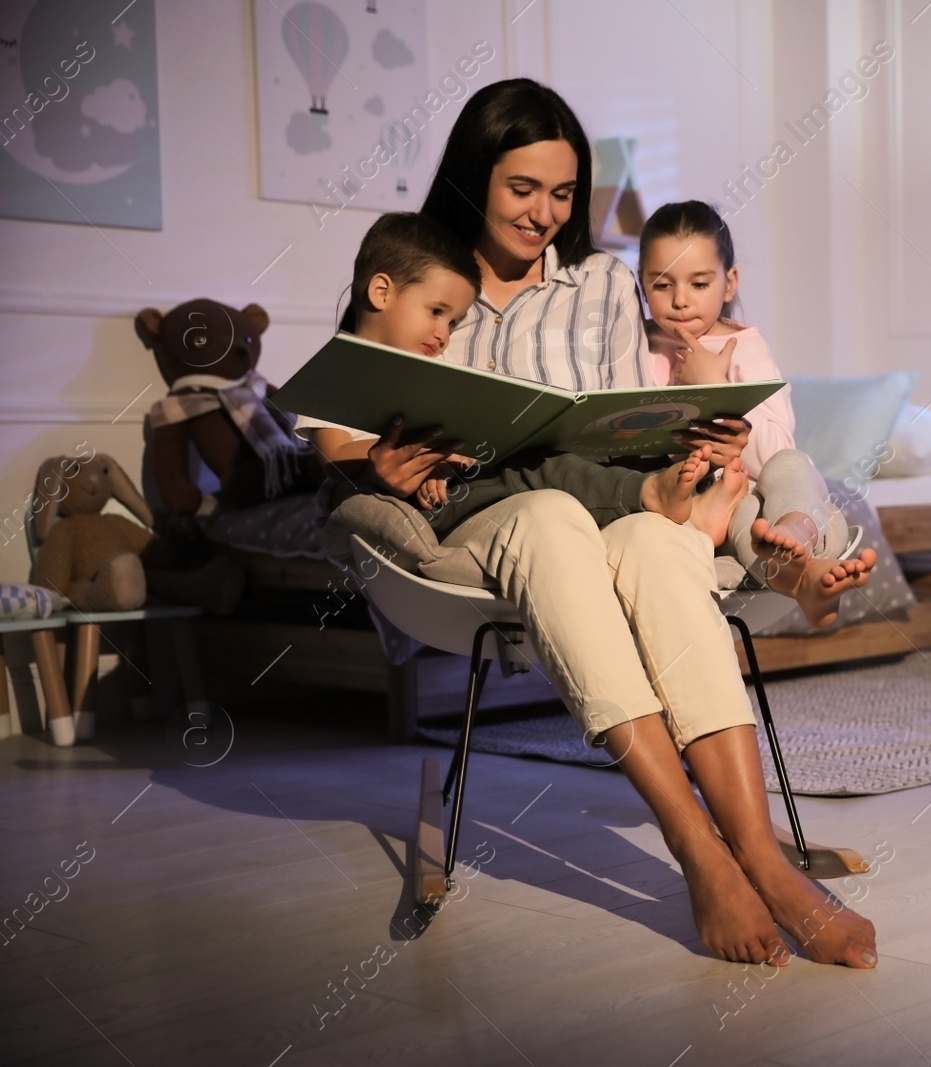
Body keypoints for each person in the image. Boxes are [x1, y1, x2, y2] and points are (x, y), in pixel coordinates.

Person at [359, 79, 877, 968]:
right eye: (524, 189)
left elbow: (624, 422)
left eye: (564, 194)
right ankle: (696, 848)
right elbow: (361, 402)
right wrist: (378, 465)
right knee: (554, 515)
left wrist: (694, 436)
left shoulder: (602, 280)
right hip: (493, 516)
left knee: (656, 540)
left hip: (607, 494)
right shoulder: (425, 279)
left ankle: (756, 850)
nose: (545, 214)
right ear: (476, 176)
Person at [297, 211, 710, 531]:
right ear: (382, 291)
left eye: (453, 322)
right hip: (423, 503)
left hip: (459, 482)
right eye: (436, 313)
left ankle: (684, 489)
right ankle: (649, 493)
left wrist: (444, 458)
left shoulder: (437, 366)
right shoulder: (339, 371)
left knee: (543, 463)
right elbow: (332, 455)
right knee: (540, 468)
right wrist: (410, 457)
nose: (443, 334)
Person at [639, 200, 875, 628]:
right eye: (661, 285)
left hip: (751, 494)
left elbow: (773, 453)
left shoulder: (746, 348)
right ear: (642, 283)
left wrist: (719, 388)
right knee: (760, 519)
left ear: (729, 283)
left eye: (698, 283)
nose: (679, 301)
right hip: (694, 502)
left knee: (792, 471)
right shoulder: (641, 347)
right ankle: (802, 567)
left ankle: (798, 544)